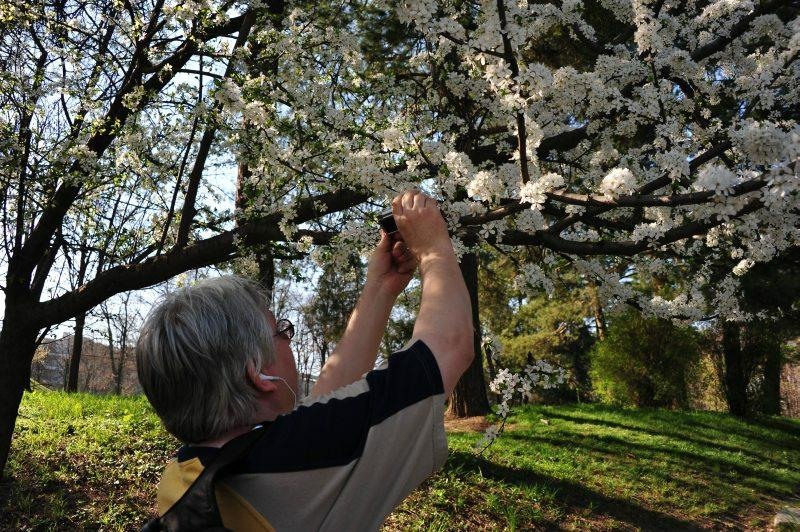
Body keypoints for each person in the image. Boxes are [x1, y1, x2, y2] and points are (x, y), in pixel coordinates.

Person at [136, 189, 475, 530]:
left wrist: (380, 288)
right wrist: (434, 249)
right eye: (280, 330)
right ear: (258, 374)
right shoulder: (296, 458)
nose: (288, 338)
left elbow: (322, 407)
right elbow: (448, 347)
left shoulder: (191, 474)